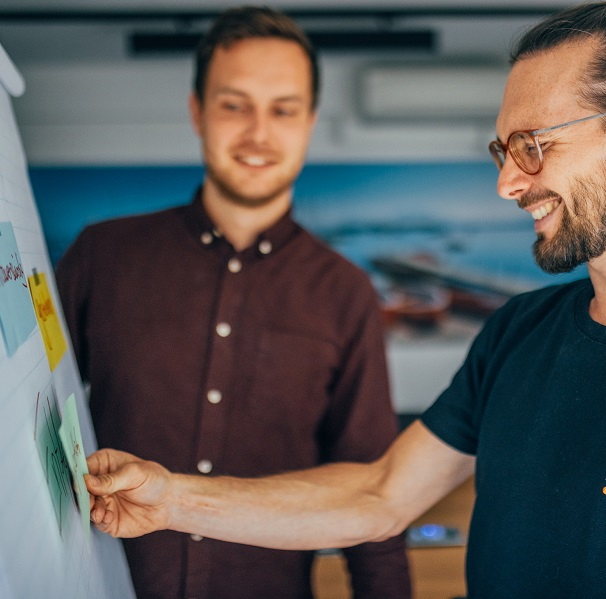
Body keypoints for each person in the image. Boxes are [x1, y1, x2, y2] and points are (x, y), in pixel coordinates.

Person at [83, 1, 606, 597]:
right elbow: (381, 494)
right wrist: (170, 498)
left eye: (533, 146)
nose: (507, 184)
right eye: (503, 151)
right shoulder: (518, 332)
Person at [56, 6, 411, 599]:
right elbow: (34, 423)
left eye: (283, 109)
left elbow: (371, 493)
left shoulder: (345, 293)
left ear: (309, 122)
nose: (258, 133)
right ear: (198, 111)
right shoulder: (101, 256)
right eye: (234, 105)